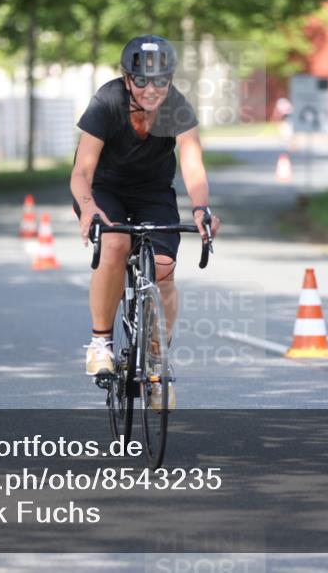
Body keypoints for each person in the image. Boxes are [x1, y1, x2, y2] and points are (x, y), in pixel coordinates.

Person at [70, 35, 221, 410]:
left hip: (153, 192)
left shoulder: (177, 107)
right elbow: (81, 171)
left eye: (161, 81)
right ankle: (101, 343)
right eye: (142, 81)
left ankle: (156, 360)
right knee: (117, 244)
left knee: (165, 269)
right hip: (105, 191)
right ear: (126, 79)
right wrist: (88, 208)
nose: (152, 89)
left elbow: (191, 162)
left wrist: (201, 208)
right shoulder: (107, 102)